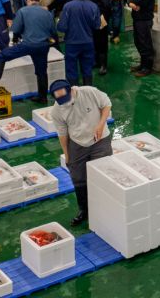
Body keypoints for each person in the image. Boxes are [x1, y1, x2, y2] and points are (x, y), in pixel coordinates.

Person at [51, 79, 112, 226]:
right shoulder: (56, 110)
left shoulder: (89, 92)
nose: (65, 102)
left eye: (66, 98)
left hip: (100, 140)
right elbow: (62, 133)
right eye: (61, 101)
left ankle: (104, 209)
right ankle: (83, 210)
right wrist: (66, 154)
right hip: (77, 143)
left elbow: (106, 104)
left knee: (101, 174)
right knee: (78, 178)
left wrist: (101, 124)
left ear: (72, 90)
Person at [0, 0, 55, 102]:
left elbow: (16, 29)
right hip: (43, 46)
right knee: (41, 71)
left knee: (1, 56)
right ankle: (42, 97)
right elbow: (52, 30)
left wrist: (18, 37)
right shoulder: (47, 12)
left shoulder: (23, 11)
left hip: (28, 45)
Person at [58, 0, 102, 85]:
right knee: (87, 70)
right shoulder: (93, 6)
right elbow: (97, 26)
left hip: (72, 44)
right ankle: (88, 92)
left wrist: (59, 21)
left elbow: (62, 28)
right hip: (88, 43)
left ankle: (74, 96)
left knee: (71, 70)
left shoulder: (68, 6)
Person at [79, 0, 112, 76]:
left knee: (101, 42)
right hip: (89, 21)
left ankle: (103, 65)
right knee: (94, 42)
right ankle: (97, 62)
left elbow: (107, 5)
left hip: (99, 19)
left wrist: (100, 19)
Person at [128, 0, 156, 76]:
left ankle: (147, 68)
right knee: (138, 42)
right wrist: (132, 2)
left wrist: (134, 1)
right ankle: (142, 64)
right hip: (137, 17)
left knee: (145, 43)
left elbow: (142, 0)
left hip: (144, 19)